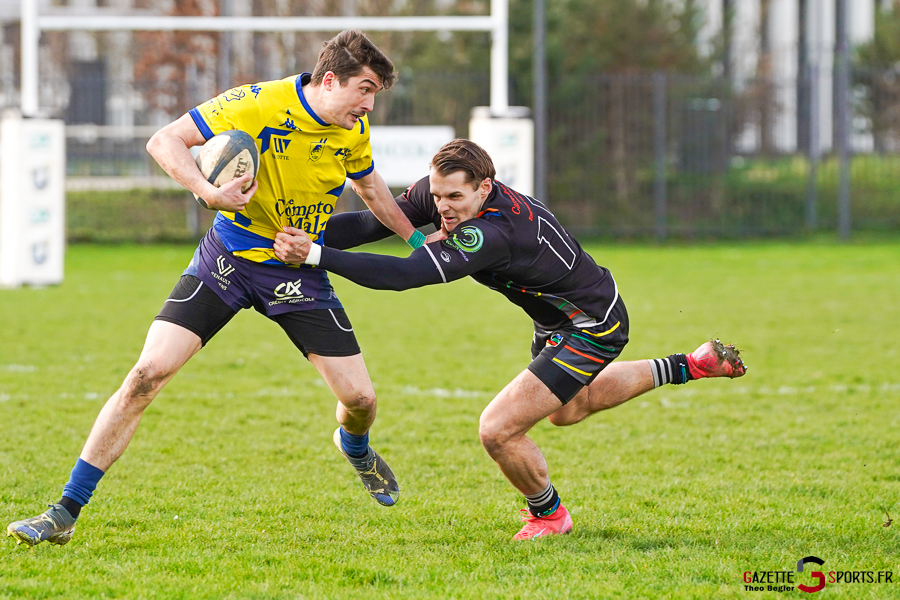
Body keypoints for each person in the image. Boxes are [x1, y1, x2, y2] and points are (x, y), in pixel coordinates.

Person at [7, 30, 422, 548]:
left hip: (296, 269)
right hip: (227, 259)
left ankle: (355, 447)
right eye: (364, 90)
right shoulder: (255, 103)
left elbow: (370, 188)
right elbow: (164, 140)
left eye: (375, 94)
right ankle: (63, 512)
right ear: (330, 79)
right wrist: (207, 191)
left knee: (360, 398)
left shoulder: (351, 130)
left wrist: (417, 239)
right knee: (145, 375)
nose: (368, 105)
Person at [272, 139, 748, 540]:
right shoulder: (446, 190)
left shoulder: (495, 231)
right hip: (557, 317)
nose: (442, 207)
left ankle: (550, 515)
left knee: (498, 429)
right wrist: (282, 232)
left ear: (484, 188)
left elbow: (402, 275)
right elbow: (373, 223)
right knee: (567, 411)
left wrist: (314, 254)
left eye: (454, 197)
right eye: (436, 195)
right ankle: (690, 364)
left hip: (590, 324)